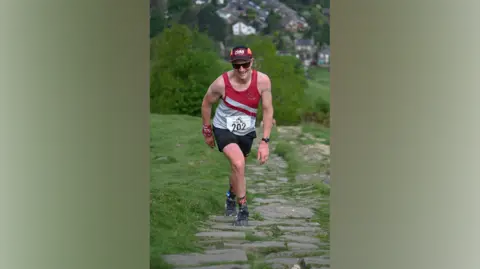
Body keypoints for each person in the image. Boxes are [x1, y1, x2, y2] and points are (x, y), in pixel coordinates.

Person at [201, 45, 274, 226]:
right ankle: (243, 209)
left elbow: (267, 110)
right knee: (238, 163)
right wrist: (207, 130)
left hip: (246, 130)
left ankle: (230, 197)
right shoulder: (221, 83)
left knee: (238, 169)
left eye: (245, 65)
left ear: (252, 62)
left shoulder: (262, 81)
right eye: (236, 65)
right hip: (223, 127)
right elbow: (206, 103)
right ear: (232, 64)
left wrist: (265, 141)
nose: (241, 69)